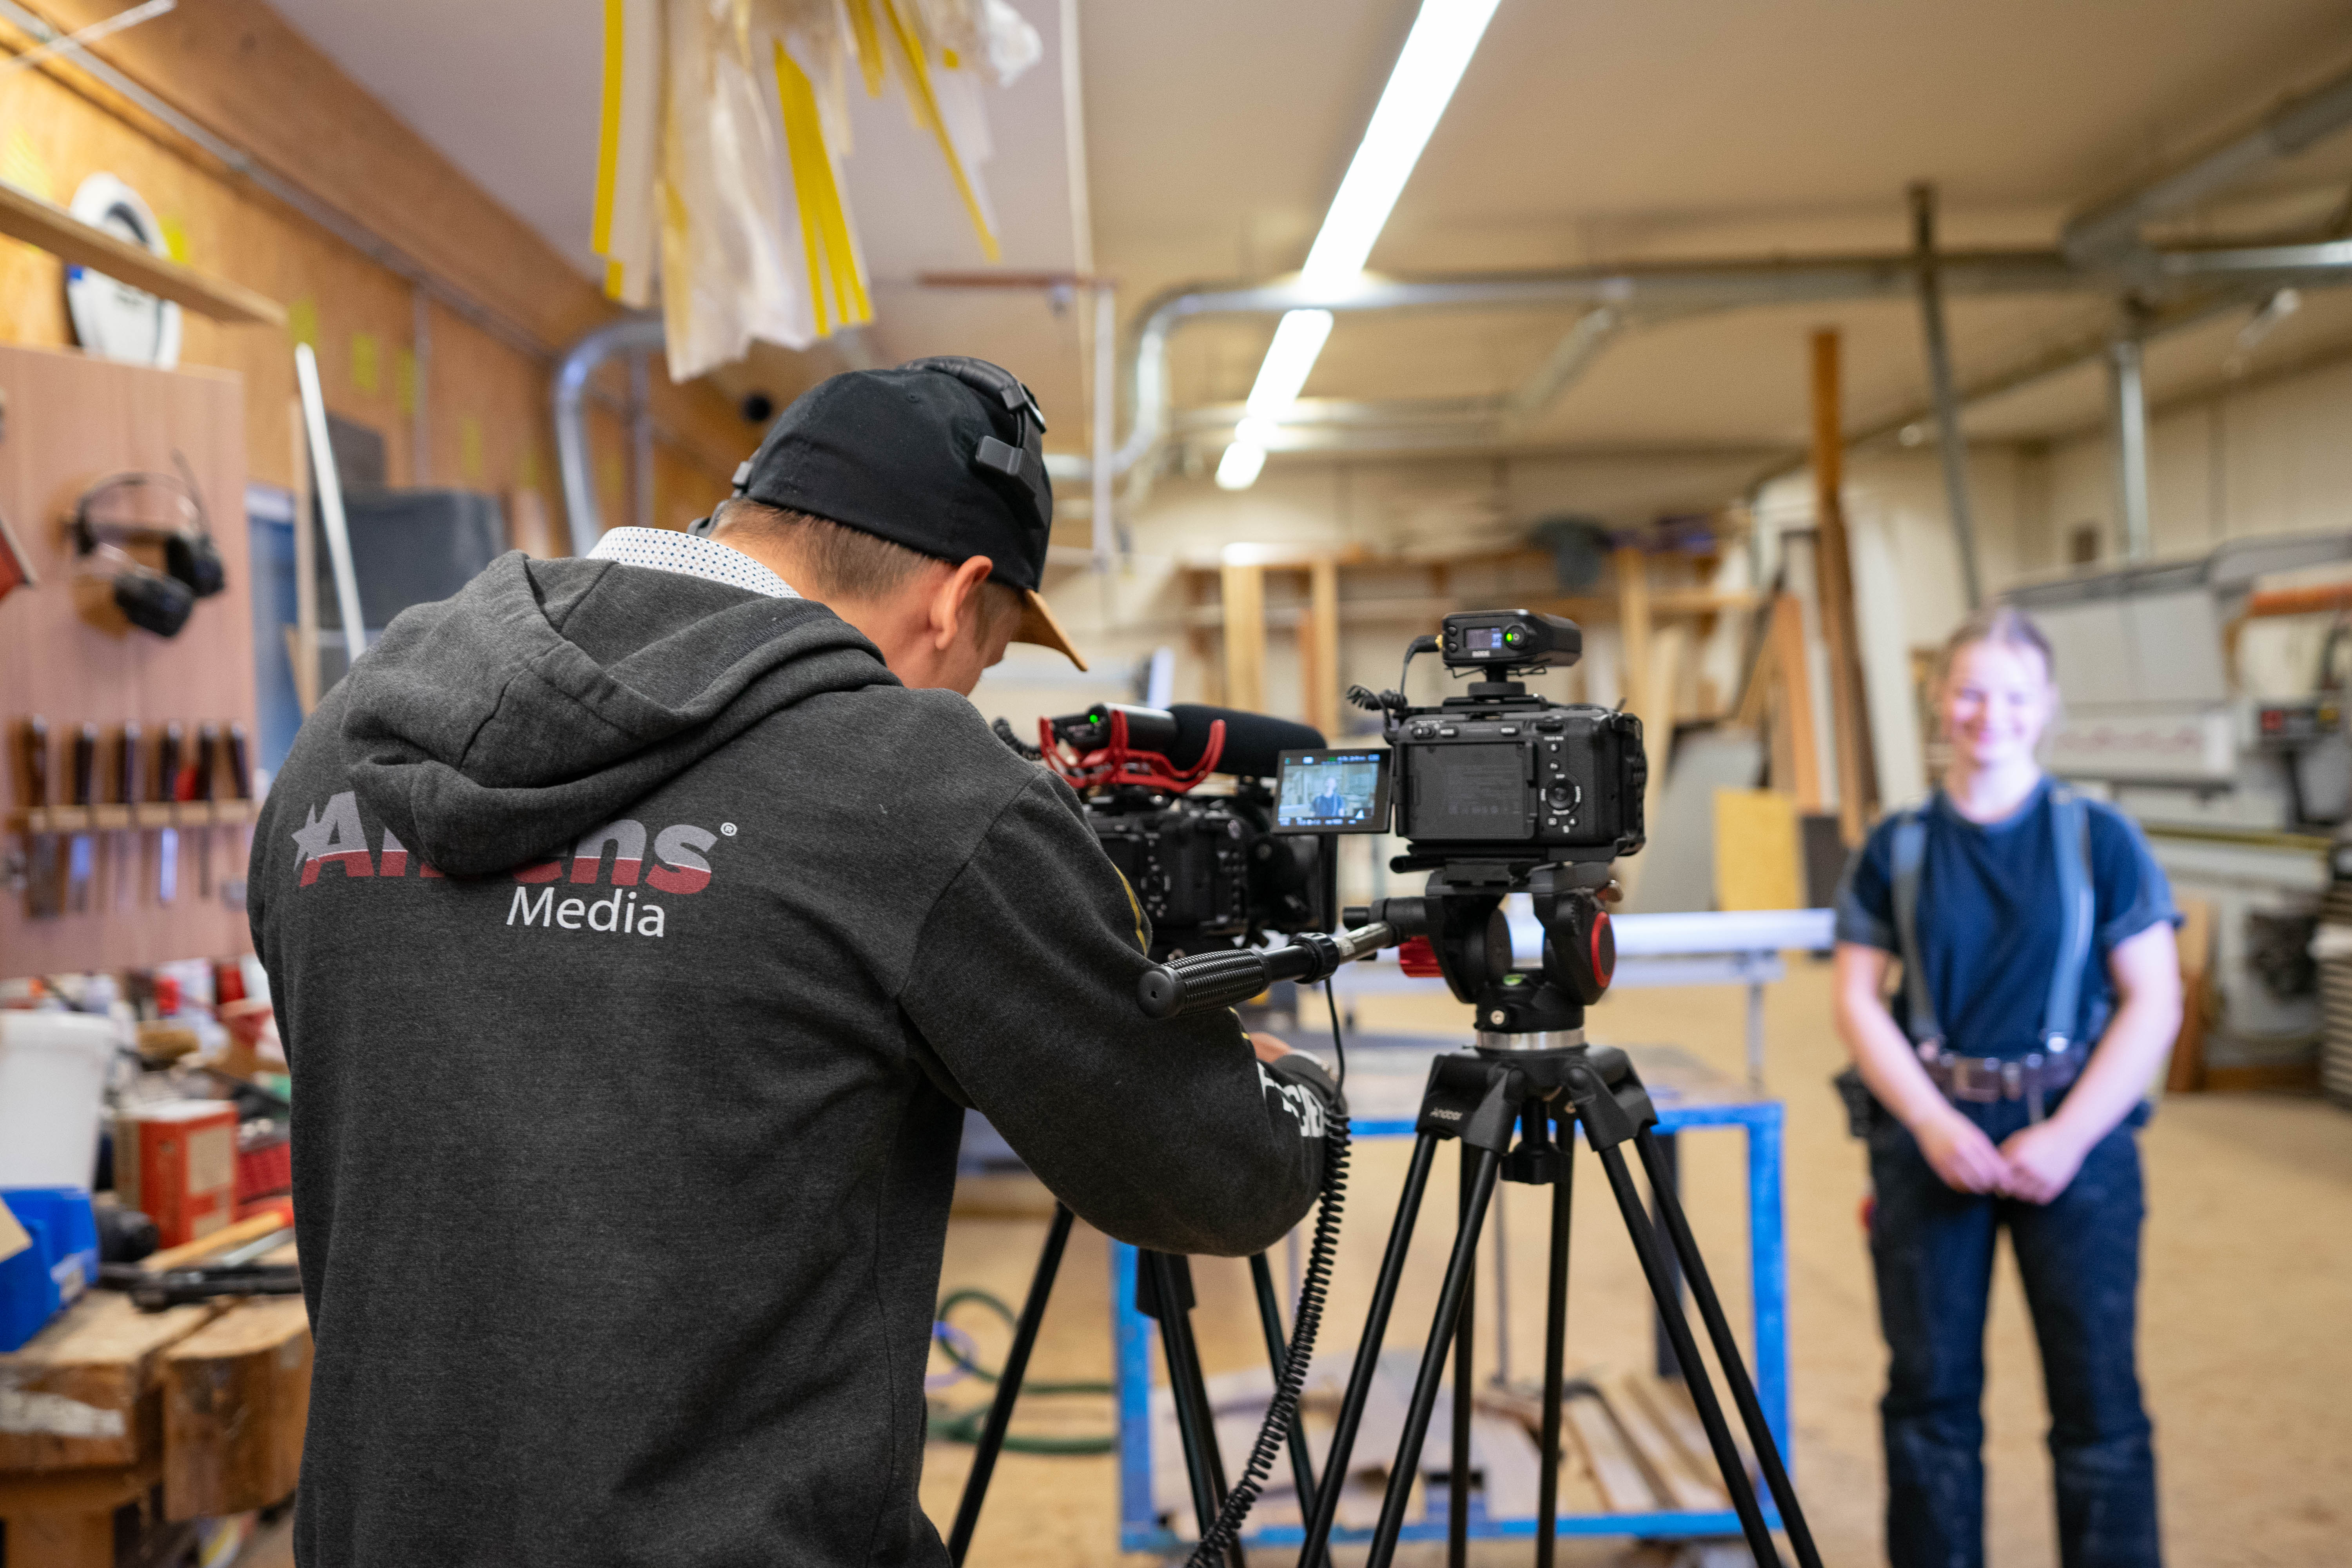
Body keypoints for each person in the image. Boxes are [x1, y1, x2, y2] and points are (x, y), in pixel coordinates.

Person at [249, 358, 1340, 1568]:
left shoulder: (343, 744)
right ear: (957, 599)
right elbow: (1206, 1175)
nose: (967, 688)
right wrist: (1297, 1094)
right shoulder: (913, 783)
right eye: (986, 653)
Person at [1832, 605, 2182, 1568]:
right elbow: (1856, 998)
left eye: (2016, 695)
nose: (1992, 714)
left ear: (2048, 704)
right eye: (1972, 692)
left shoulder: (2101, 838)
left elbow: (2155, 998)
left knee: (2099, 1400)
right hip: (1932, 1139)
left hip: (2079, 1137)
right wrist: (1930, 1119)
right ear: (1940, 698)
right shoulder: (1897, 845)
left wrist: (2068, 1135)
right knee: (1930, 1399)